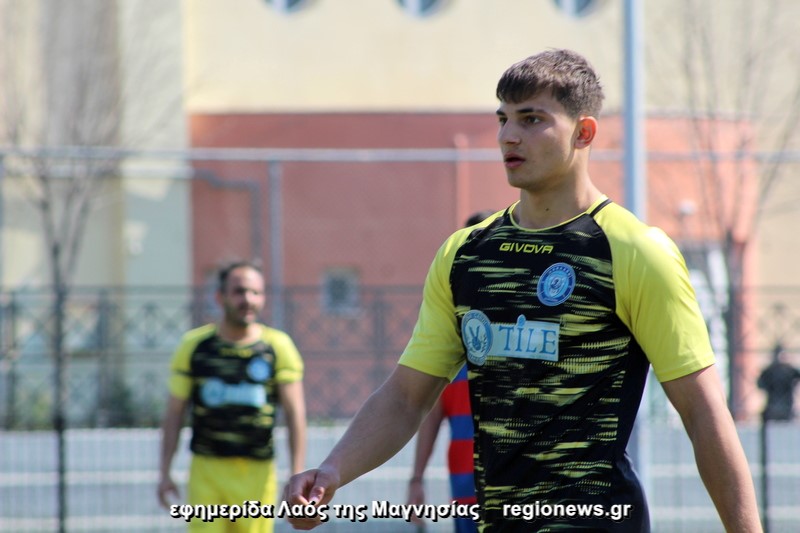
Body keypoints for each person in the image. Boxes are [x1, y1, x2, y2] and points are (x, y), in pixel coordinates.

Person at [284, 49, 761, 532]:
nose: (508, 136)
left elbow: (702, 412)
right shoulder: (466, 253)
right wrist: (333, 471)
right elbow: (407, 397)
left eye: (532, 119)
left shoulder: (634, 251)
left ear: (583, 133)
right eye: (503, 119)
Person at [158, 260, 307, 533]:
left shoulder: (278, 346)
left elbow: (295, 414)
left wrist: (296, 474)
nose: (247, 299)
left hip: (257, 473)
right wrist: (164, 471)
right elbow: (174, 414)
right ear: (220, 297)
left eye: (255, 292)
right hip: (206, 471)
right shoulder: (194, 346)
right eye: (239, 292)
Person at [406, 210, 494, 533]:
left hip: (519, 496)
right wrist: (417, 479)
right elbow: (428, 413)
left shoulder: (522, 329)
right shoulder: (451, 334)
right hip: (464, 490)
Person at [757, 343, 800, 421]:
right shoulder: (769, 371)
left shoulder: (789, 370)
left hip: (786, 407)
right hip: (772, 407)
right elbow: (760, 384)